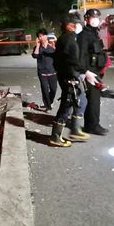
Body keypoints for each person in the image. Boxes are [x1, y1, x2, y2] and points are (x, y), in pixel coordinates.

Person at [49, 15, 91, 147]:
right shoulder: (68, 39)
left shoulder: (67, 38)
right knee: (66, 106)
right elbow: (73, 61)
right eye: (76, 24)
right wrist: (81, 72)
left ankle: (75, 129)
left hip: (69, 76)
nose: (79, 26)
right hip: (70, 77)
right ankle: (55, 137)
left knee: (81, 101)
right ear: (69, 25)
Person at [77, 8, 109, 135]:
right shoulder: (84, 35)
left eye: (97, 17)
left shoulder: (94, 33)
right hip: (90, 72)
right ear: (86, 19)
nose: (96, 20)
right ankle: (93, 125)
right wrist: (86, 72)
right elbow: (81, 56)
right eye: (93, 17)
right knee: (94, 100)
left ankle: (91, 124)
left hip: (96, 70)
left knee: (94, 99)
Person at [31, 29, 57, 111]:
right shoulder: (37, 47)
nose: (41, 37)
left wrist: (55, 48)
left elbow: (58, 56)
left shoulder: (51, 46)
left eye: (42, 35)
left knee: (53, 90)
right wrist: (38, 45)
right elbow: (35, 56)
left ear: (46, 36)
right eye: (39, 36)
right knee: (45, 90)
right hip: (42, 73)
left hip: (52, 72)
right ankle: (48, 107)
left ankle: (49, 102)